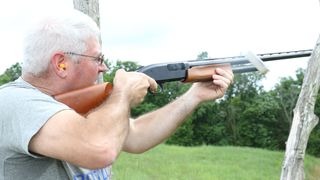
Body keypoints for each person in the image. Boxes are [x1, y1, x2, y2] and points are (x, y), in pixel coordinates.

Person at [0, 9, 234, 180]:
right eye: (98, 59)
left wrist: (194, 96)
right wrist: (122, 93)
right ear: (61, 64)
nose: (103, 68)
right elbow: (101, 148)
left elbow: (137, 135)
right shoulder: (14, 102)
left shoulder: (76, 107)